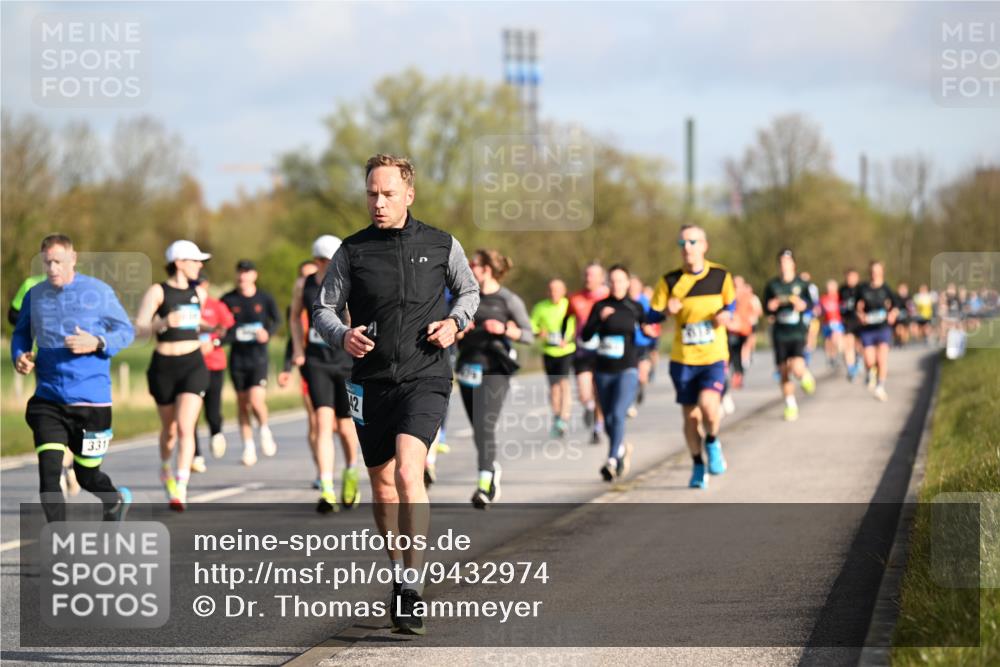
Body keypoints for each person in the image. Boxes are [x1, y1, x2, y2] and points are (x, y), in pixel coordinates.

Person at [313, 154, 479, 635]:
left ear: (408, 194)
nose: (378, 202)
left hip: (425, 374)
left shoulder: (441, 244)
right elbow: (325, 308)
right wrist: (341, 336)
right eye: (371, 193)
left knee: (410, 471)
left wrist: (454, 323)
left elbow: (468, 293)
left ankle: (412, 584)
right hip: (369, 381)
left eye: (387, 194)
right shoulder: (352, 251)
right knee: (383, 486)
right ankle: (398, 573)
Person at [12, 234, 133, 522]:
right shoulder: (36, 294)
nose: (52, 268)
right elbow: (21, 332)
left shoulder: (98, 292)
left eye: (58, 262)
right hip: (49, 399)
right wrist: (19, 354)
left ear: (73, 259)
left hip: (92, 403)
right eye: (47, 262)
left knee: (88, 475)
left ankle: (114, 500)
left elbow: (126, 331)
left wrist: (98, 342)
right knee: (49, 472)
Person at [650, 224, 735, 490]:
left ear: (704, 246)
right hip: (683, 358)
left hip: (713, 355)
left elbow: (730, 304)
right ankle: (698, 464)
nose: (687, 248)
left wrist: (726, 315)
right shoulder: (670, 281)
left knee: (709, 405)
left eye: (692, 242)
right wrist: (666, 311)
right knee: (690, 417)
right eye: (682, 243)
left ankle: (712, 442)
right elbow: (650, 315)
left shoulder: (721, 276)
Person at [135, 240, 211, 511]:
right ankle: (166, 467)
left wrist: (211, 332)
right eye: (195, 260)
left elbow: (199, 324)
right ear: (179, 262)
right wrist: (163, 323)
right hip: (164, 367)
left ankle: (181, 485)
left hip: (193, 364)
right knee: (169, 431)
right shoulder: (158, 291)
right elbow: (140, 329)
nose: (200, 265)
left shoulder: (199, 293)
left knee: (184, 426)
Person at [456, 249, 533, 508]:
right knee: (479, 428)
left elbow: (528, 335)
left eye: (472, 264)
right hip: (468, 367)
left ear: (486, 269)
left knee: (485, 424)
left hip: (496, 369)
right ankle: (491, 468)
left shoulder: (507, 300)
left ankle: (484, 482)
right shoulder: (464, 298)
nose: (468, 268)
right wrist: (457, 330)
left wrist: (503, 329)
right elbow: (446, 329)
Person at [291, 236, 362, 513]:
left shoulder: (348, 281)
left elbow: (358, 318)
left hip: (344, 362)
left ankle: (351, 471)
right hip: (317, 361)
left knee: (345, 428)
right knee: (322, 424)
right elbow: (295, 316)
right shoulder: (304, 284)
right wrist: (298, 347)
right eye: (327, 260)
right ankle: (327, 488)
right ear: (319, 261)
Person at [9, 273, 81, 494]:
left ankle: (66, 463)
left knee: (72, 415)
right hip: (45, 360)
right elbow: (14, 314)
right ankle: (61, 465)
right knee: (53, 411)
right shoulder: (32, 284)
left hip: (76, 361)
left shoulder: (81, 286)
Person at [581, 264, 647, 481]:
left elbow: (649, 333)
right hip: (603, 370)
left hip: (627, 369)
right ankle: (619, 450)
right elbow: (587, 336)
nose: (616, 284)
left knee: (618, 414)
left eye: (621, 280)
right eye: (613, 280)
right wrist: (599, 318)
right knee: (609, 418)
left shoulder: (635, 307)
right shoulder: (600, 306)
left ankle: (610, 459)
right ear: (608, 283)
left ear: (628, 283)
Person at [221, 259, 282, 466]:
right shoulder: (228, 299)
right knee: (242, 404)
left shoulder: (264, 298)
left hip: (258, 357)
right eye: (240, 272)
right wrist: (225, 337)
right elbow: (222, 327)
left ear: (254, 275)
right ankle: (248, 447)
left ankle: (264, 429)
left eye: (247, 272)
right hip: (238, 358)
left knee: (256, 400)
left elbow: (278, 320)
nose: (243, 276)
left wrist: (268, 333)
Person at [278, 260, 320, 484]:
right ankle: (322, 472)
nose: (305, 280)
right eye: (301, 276)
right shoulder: (296, 310)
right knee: (315, 421)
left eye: (310, 275)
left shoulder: (331, 303)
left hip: (336, 367)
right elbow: (291, 341)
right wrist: (287, 368)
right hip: (309, 368)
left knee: (338, 425)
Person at [763, 249, 817, 422]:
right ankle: (790, 404)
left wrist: (803, 305)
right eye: (781, 262)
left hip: (797, 332)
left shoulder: (802, 284)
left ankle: (805, 376)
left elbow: (812, 304)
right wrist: (770, 306)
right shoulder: (772, 285)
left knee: (796, 367)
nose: (783, 265)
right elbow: (765, 307)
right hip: (780, 333)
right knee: (783, 371)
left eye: (787, 261)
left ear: (793, 264)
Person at [193, 275, 235, 472]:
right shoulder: (184, 306)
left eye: (201, 284)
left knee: (212, 408)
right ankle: (195, 455)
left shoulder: (216, 305)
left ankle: (216, 432)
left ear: (206, 284)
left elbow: (229, 329)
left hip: (214, 364)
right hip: (190, 365)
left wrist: (214, 343)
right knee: (190, 412)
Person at [566, 263, 610, 444]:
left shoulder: (609, 296)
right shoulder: (575, 298)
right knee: (585, 393)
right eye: (586, 275)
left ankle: (598, 427)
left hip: (604, 352)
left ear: (601, 278)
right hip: (583, 352)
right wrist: (564, 337)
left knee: (600, 392)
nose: (588, 279)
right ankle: (589, 407)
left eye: (592, 275)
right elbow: (566, 319)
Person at [530, 278, 576, 438]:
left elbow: (578, 324)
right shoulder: (540, 307)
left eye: (557, 290)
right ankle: (557, 417)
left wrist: (569, 337)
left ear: (564, 291)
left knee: (564, 383)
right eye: (551, 289)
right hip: (549, 351)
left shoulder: (570, 305)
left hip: (566, 349)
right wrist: (538, 332)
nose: (554, 293)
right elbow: (532, 325)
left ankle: (564, 417)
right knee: (554, 388)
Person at [857, 261, 898, 402]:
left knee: (882, 359)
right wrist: (860, 315)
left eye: (878, 270)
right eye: (873, 271)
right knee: (869, 361)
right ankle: (871, 372)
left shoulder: (886, 289)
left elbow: (896, 305)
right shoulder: (863, 289)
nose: (875, 273)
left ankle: (880, 387)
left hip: (883, 327)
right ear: (870, 272)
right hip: (868, 329)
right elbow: (856, 307)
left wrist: (893, 314)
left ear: (882, 271)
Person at [627, 276, 654, 418]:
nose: (632, 288)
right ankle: (629, 402)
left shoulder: (644, 301)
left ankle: (641, 388)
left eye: (634, 286)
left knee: (642, 375)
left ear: (639, 287)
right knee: (630, 374)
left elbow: (652, 320)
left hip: (642, 343)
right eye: (630, 286)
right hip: (629, 344)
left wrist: (649, 329)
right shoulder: (624, 302)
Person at [840, 269, 864, 382]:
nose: (851, 279)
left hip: (860, 321)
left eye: (853, 277)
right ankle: (851, 369)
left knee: (859, 346)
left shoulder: (862, 289)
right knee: (848, 345)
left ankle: (858, 359)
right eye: (849, 277)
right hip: (848, 321)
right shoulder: (842, 290)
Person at [819, 279, 844, 368]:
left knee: (835, 338)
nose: (830, 288)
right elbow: (820, 311)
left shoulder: (839, 297)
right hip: (826, 323)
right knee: (828, 341)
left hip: (837, 322)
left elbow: (844, 309)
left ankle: (840, 354)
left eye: (832, 286)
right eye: (829, 287)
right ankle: (831, 357)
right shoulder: (823, 298)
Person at [800, 271, 821, 367]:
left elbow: (816, 301)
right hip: (800, 315)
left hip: (810, 314)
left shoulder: (812, 288)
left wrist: (816, 310)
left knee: (810, 334)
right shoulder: (796, 287)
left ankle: (807, 353)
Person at [893, 282, 914, 347]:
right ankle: (898, 340)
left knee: (905, 331)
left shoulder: (909, 298)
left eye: (903, 289)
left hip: (906, 317)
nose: (902, 290)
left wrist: (910, 310)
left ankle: (903, 342)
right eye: (901, 289)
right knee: (898, 330)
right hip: (898, 318)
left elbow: (911, 308)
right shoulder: (895, 298)